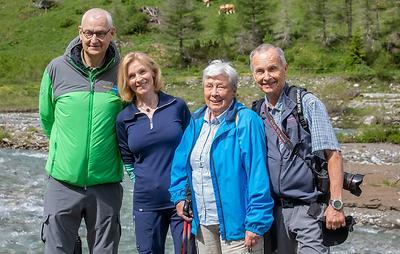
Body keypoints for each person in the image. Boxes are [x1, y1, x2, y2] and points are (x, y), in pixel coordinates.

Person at [39, 8, 123, 253]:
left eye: (100, 33)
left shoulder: (123, 72)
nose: (93, 40)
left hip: (106, 184)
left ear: (112, 34)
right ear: (80, 32)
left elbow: (129, 121)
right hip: (62, 183)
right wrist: (65, 150)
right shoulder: (56, 68)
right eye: (88, 33)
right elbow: (47, 117)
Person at [249, 43, 346, 254]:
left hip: (310, 210)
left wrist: (336, 205)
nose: (267, 76)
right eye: (260, 71)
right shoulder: (256, 111)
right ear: (253, 75)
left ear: (285, 68)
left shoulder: (307, 104)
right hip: (273, 212)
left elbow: (333, 155)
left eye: (272, 68)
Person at [169, 60, 274, 254]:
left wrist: (256, 222)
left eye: (221, 86)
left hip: (239, 226)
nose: (214, 93)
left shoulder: (246, 121)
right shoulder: (196, 121)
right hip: (203, 222)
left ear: (233, 90)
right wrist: (179, 198)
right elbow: (180, 165)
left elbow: (257, 175)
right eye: (209, 86)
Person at [115, 52, 193, 254]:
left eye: (142, 72)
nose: (138, 79)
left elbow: (192, 149)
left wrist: (187, 190)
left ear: (153, 72)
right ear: (127, 82)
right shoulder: (124, 118)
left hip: (182, 199)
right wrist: (144, 181)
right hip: (146, 203)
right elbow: (128, 159)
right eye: (132, 76)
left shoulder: (177, 106)